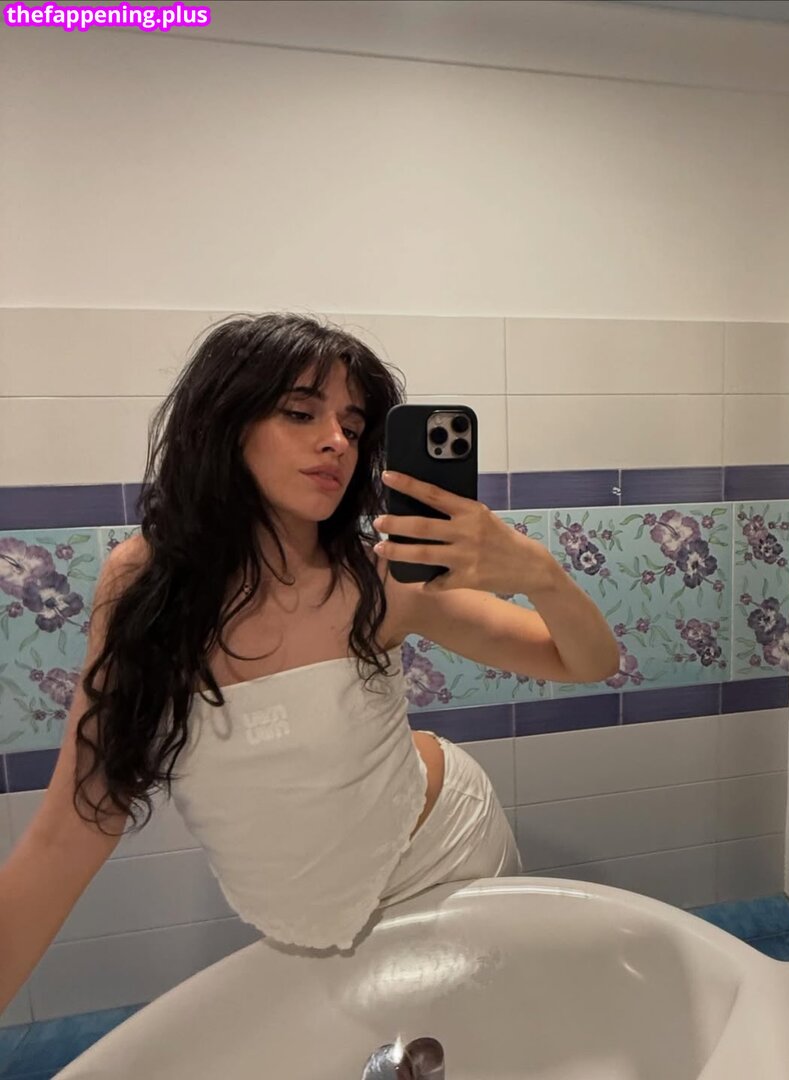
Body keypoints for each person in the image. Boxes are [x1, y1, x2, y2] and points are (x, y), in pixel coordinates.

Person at [0, 313, 619, 1009]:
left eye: (353, 426)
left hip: (444, 861)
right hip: (301, 927)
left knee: (486, 1034)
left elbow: (588, 661)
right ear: (224, 423)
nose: (336, 441)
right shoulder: (145, 586)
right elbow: (75, 824)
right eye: (301, 413)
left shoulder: (382, 579)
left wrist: (538, 573)